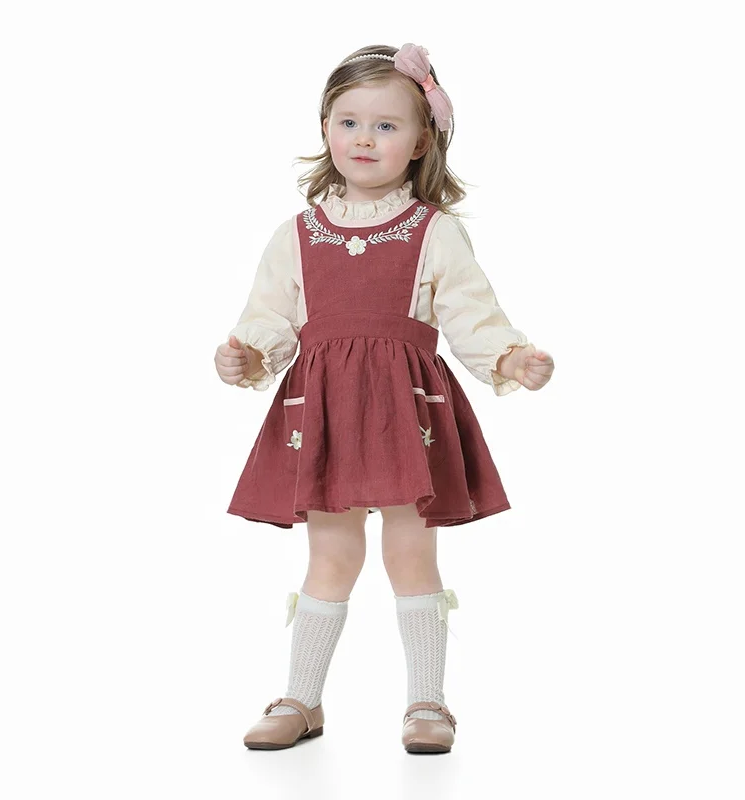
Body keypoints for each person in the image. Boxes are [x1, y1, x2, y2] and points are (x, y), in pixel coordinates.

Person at [214, 42, 555, 753]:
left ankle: (428, 701)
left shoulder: (434, 231)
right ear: (325, 129)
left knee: (410, 551)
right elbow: (270, 317)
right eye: (349, 122)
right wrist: (246, 353)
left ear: (422, 140)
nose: (364, 139)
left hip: (408, 414)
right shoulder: (297, 234)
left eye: (386, 125)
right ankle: (302, 698)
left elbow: (469, 312)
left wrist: (510, 355)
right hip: (325, 414)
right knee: (331, 554)